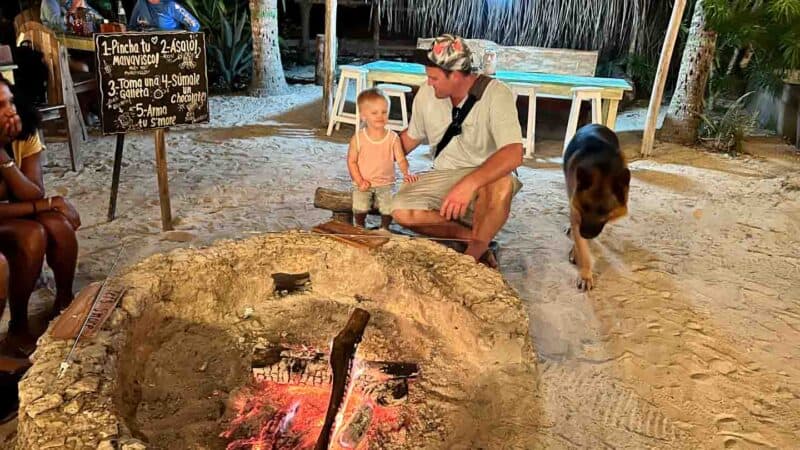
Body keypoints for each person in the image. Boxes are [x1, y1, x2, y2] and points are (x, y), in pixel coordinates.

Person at [391, 34, 524, 267]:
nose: (429, 83)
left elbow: (514, 153)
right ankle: (473, 239)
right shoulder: (426, 94)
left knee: (502, 184)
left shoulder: (496, 94)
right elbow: (410, 137)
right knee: (399, 209)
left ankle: (471, 257)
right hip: (444, 175)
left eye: (434, 78)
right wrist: (374, 149)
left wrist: (468, 184)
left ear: (455, 75)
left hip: (486, 177)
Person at [0, 75, 81, 357]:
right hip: (7, 216)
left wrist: (7, 161)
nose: (10, 110)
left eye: (9, 101)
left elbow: (33, 192)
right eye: (0, 106)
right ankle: (18, 326)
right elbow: (36, 203)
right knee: (32, 234)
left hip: (15, 209)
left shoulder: (24, 129)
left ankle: (63, 301)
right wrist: (46, 204)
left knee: (58, 225)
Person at [348, 88, 417, 232]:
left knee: (388, 207)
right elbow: (351, 161)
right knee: (360, 206)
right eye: (374, 113)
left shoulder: (393, 138)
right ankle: (360, 226)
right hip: (363, 183)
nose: (380, 116)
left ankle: (384, 228)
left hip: (386, 183)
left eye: (384, 112)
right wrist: (360, 181)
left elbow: (401, 159)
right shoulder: (358, 138)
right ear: (363, 116)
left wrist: (407, 173)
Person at [129, 0, 200, 32]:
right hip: (149, 51)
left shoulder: (170, 5)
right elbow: (132, 27)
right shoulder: (141, 3)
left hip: (171, 47)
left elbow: (194, 25)